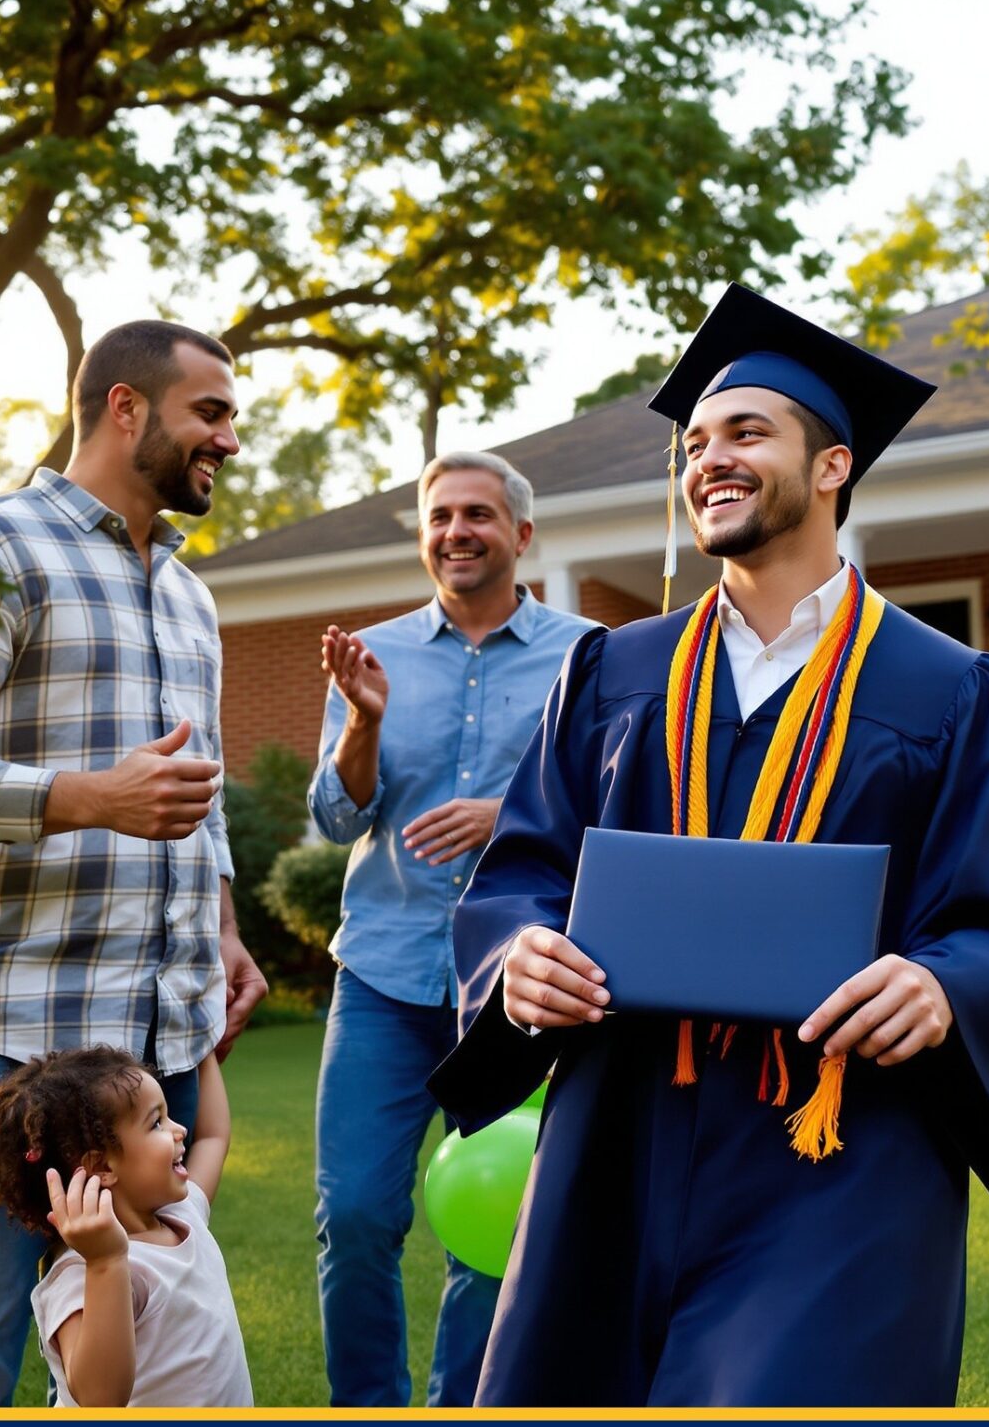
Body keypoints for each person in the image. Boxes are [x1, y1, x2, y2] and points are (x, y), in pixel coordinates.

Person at [426, 284, 989, 1407]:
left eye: (746, 433)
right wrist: (518, 957)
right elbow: (526, 871)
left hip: (837, 1153)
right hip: (619, 1138)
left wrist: (945, 985)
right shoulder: (611, 673)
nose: (710, 459)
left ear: (833, 465)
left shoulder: (956, 692)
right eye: (696, 442)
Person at [0, 319, 268, 1406]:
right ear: (125, 407)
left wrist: (223, 932)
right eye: (210, 413)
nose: (229, 440)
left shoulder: (189, 593)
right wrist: (87, 797)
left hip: (147, 1059)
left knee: (127, 1373)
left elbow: (199, 792)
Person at [305, 451, 597, 1406]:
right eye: (440, 516)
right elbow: (336, 819)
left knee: (495, 1223)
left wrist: (508, 813)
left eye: (478, 513)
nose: (456, 531)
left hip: (518, 983)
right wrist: (363, 722)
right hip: (383, 976)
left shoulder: (589, 656)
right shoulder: (370, 654)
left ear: (522, 534)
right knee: (355, 1213)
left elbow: (624, 809)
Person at [0, 1045, 253, 1407]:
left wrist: (204, 1047)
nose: (180, 1130)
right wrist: (106, 1261)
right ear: (102, 1167)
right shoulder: (81, 1272)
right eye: (157, 1122)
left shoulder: (184, 1215)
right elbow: (100, 1399)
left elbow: (214, 1137)